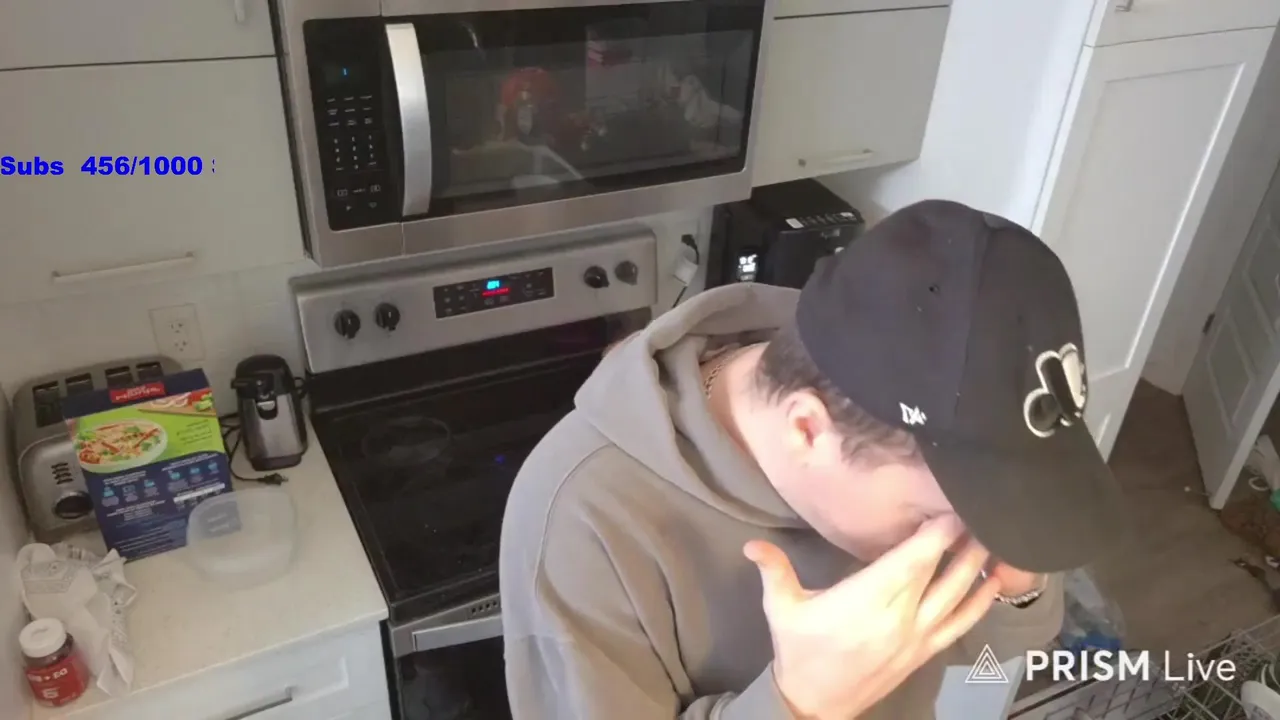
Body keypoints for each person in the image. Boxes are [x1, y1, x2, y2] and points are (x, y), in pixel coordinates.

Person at [498, 200, 1127, 719]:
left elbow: (981, 647)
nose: (969, 536)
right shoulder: (579, 519)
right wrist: (800, 705)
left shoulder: (903, 433)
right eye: (933, 517)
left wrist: (1015, 594)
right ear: (808, 430)